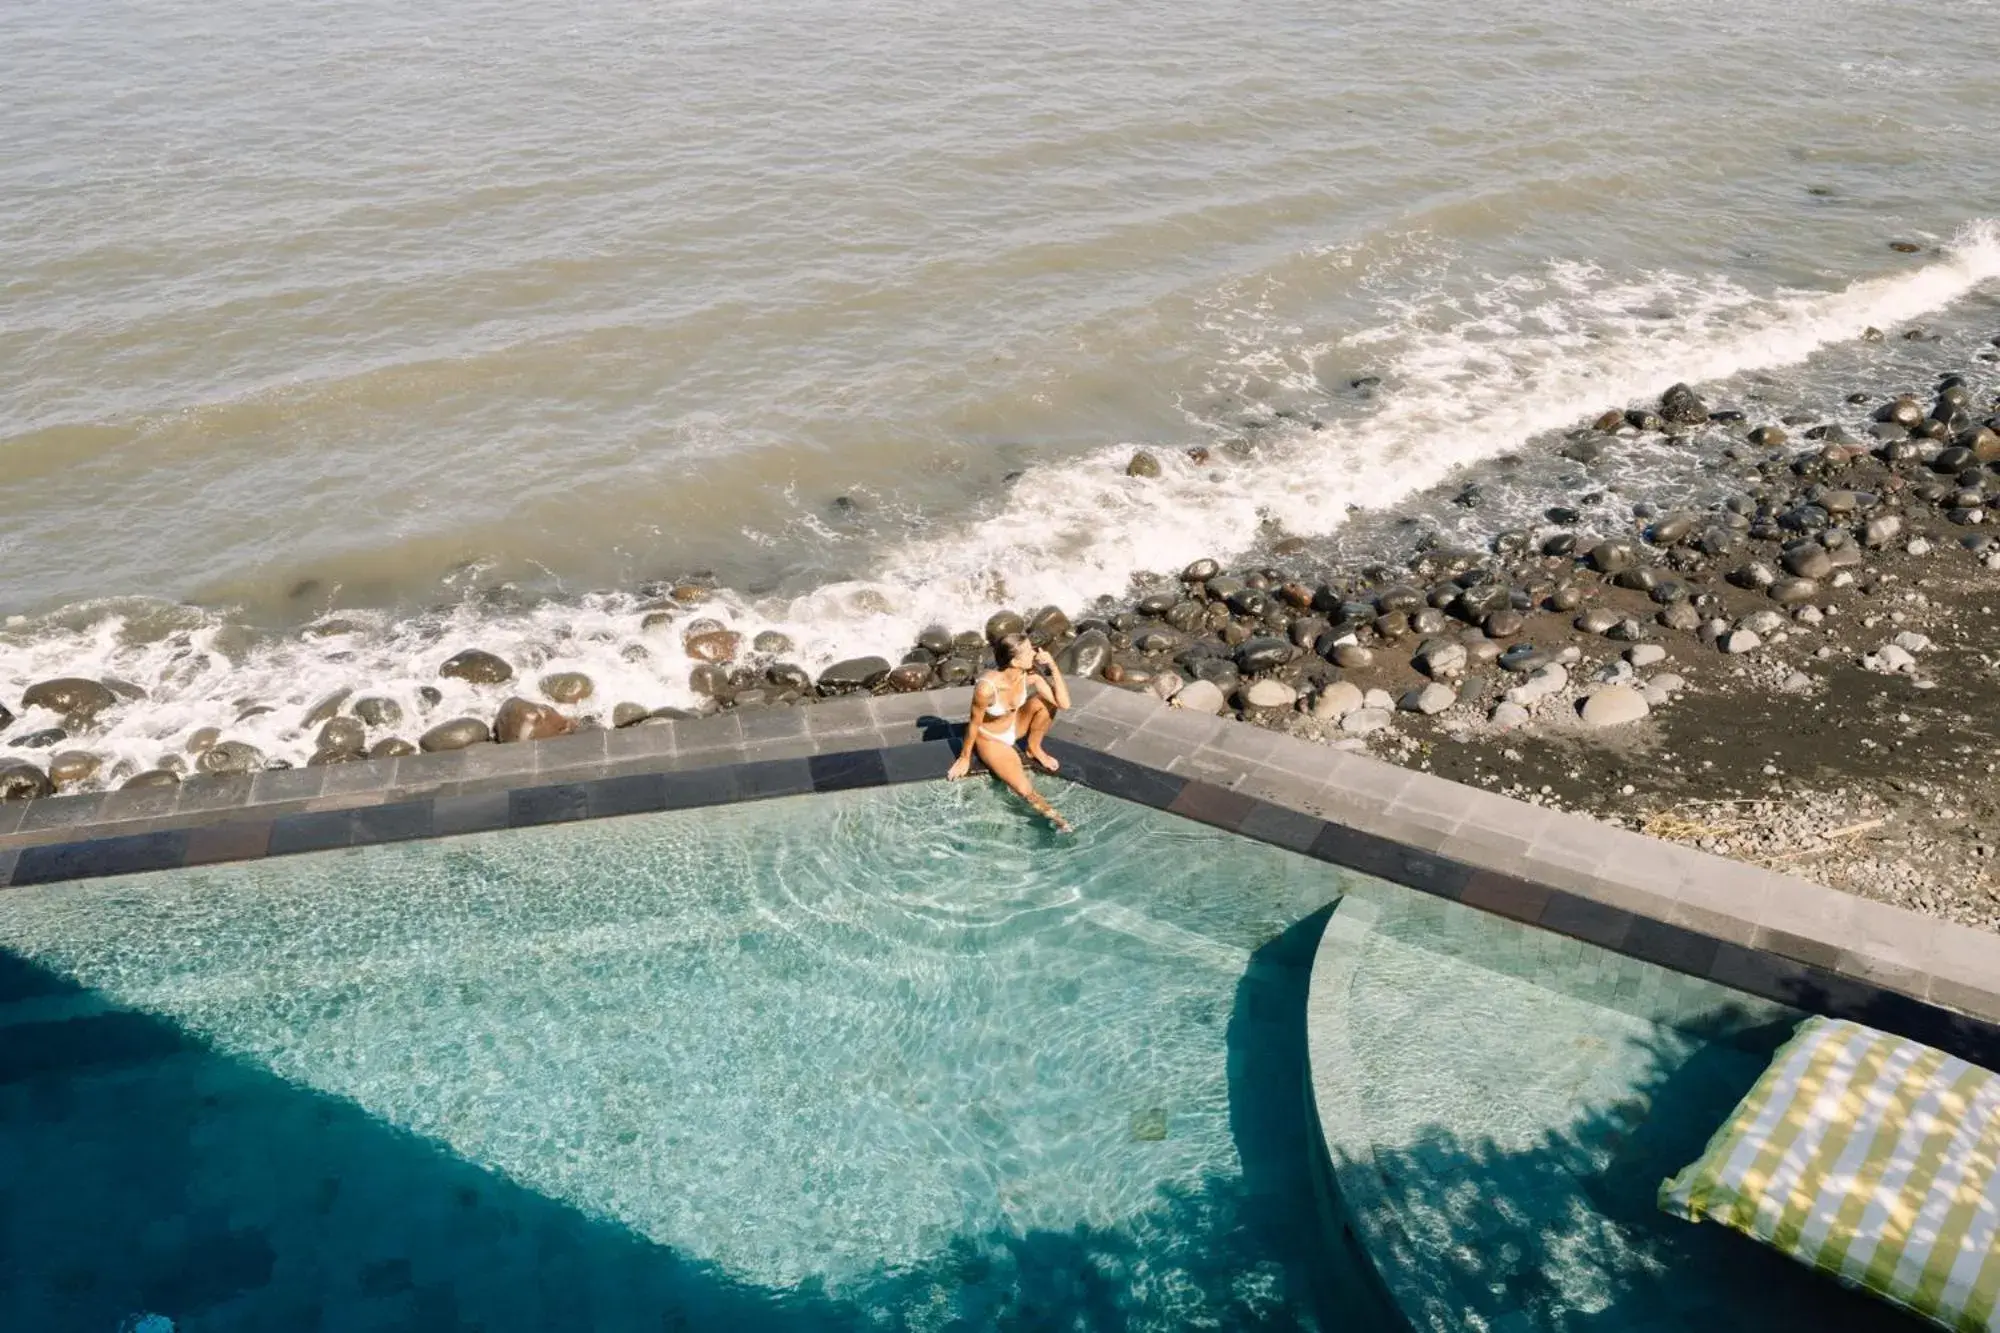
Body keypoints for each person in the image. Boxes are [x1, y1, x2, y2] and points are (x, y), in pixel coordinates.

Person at [946, 631, 1072, 831]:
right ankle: (1059, 822)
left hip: (1014, 726)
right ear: (1014, 661)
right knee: (1024, 789)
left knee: (1046, 704)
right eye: (1029, 651)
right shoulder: (986, 688)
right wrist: (964, 757)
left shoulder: (1028, 674)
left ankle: (1034, 748)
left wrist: (1052, 666)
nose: (1035, 652)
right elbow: (973, 724)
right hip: (991, 739)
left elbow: (1063, 704)